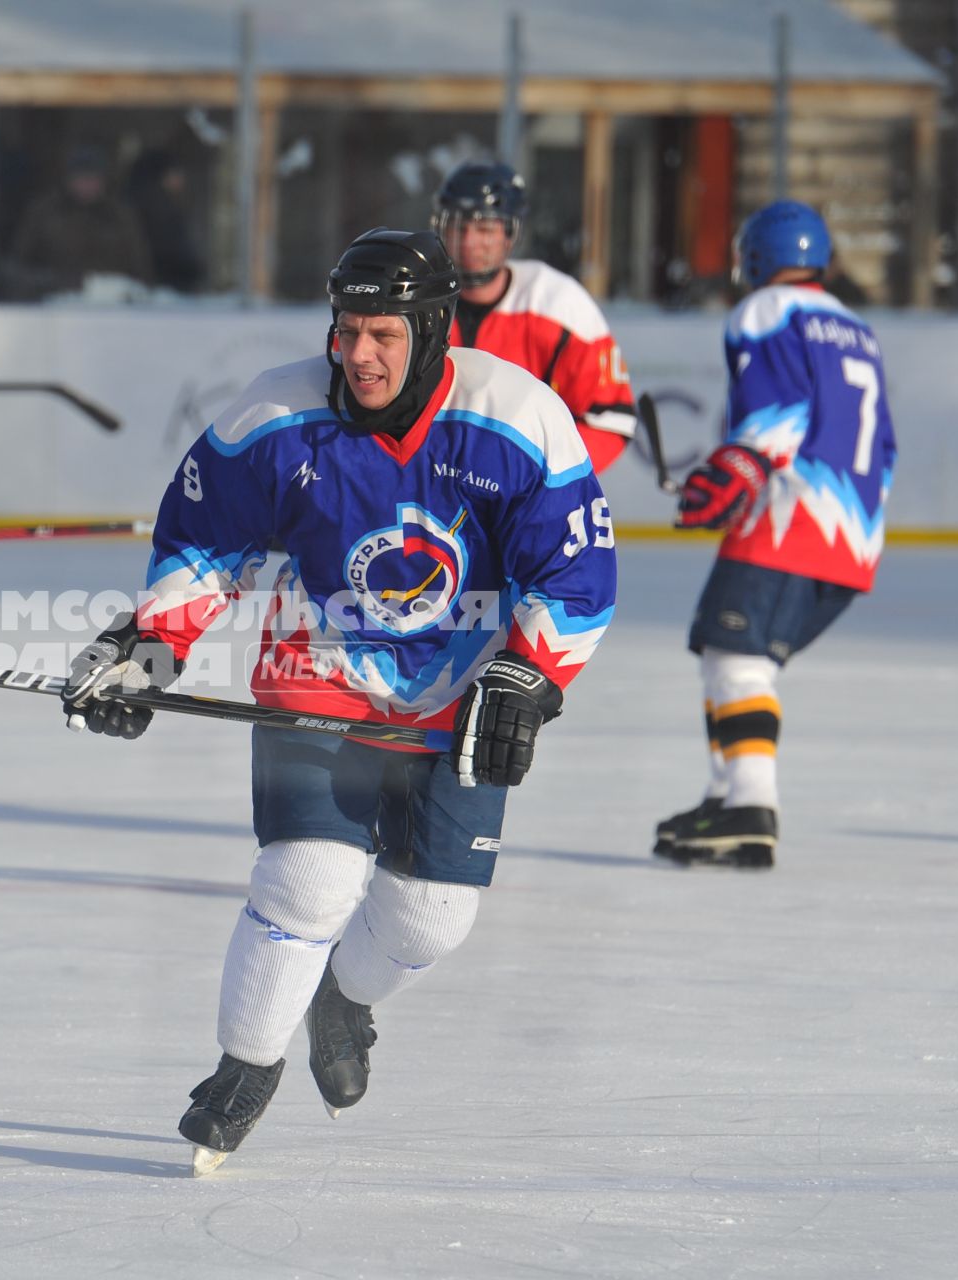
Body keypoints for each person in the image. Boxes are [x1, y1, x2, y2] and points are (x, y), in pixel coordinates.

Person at [59, 228, 617, 1171]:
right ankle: (245, 1067)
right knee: (307, 882)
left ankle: (340, 996)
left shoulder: (517, 419)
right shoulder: (274, 416)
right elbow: (204, 544)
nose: (357, 354)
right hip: (320, 664)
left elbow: (574, 575)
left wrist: (530, 676)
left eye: (383, 335)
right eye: (346, 330)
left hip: (462, 685)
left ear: (434, 330)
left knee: (430, 920)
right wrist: (150, 645)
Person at [654, 201, 895, 870]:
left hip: (793, 520)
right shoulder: (858, 329)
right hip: (851, 535)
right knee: (723, 649)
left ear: (753, 257)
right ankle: (724, 795)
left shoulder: (766, 309)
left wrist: (733, 470)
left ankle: (751, 808)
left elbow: (781, 411)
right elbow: (885, 448)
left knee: (738, 657)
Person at [432, 162, 638, 474]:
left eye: (485, 229)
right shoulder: (410, 297)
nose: (470, 241)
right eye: (459, 227)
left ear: (510, 233)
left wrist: (538, 478)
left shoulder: (557, 303)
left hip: (521, 498)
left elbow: (610, 420)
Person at [3, 144, 154, 301]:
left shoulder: (121, 216)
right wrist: (51, 283)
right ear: (68, 179)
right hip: (53, 304)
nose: (86, 185)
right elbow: (19, 264)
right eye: (81, 178)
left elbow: (140, 267)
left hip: (111, 304)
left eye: (93, 179)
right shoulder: (44, 213)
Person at [127, 148, 205, 294]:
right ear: (162, 177)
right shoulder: (158, 210)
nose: (181, 179)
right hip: (163, 287)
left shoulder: (169, 205)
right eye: (175, 174)